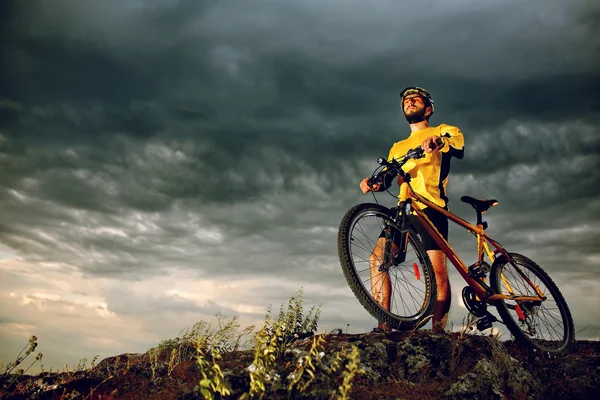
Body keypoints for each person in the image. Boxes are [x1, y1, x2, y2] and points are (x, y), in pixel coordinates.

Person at [359, 87, 464, 333]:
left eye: (416, 99)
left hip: (431, 208)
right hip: (403, 212)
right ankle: (383, 327)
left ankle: (438, 335)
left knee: (437, 276)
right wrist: (373, 183)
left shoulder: (441, 130)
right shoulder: (398, 147)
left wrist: (437, 141)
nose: (410, 102)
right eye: (406, 100)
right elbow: (386, 178)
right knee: (377, 260)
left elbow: (458, 146)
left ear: (428, 109)